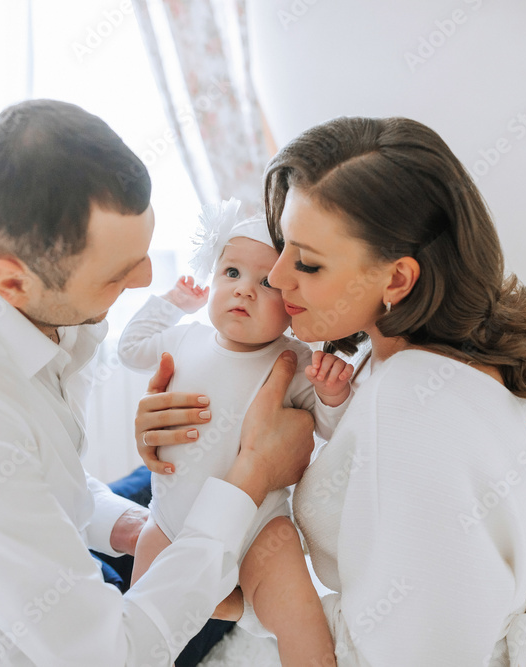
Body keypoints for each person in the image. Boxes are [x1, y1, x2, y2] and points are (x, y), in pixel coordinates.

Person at [0, 99, 316, 666]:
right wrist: (251, 475)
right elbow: (112, 655)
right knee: (220, 525)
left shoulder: (41, 311)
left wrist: (130, 526)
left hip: (56, 569)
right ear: (12, 280)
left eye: (143, 252)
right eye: (118, 272)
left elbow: (49, 483)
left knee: (155, 489)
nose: (146, 279)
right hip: (74, 646)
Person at [136, 116, 526, 666]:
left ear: (396, 279)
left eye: (307, 263)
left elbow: (409, 644)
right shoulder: (420, 355)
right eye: (282, 245)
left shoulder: (415, 405)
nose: (276, 277)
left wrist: (254, 473)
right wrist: (192, 443)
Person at [117, 199, 353, 666]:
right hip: (171, 522)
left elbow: (327, 429)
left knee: (300, 619)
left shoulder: (296, 360)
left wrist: (332, 394)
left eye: (265, 283)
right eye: (231, 273)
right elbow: (129, 347)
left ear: (292, 303)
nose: (243, 289)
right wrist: (172, 303)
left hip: (262, 528)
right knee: (145, 626)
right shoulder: (185, 338)